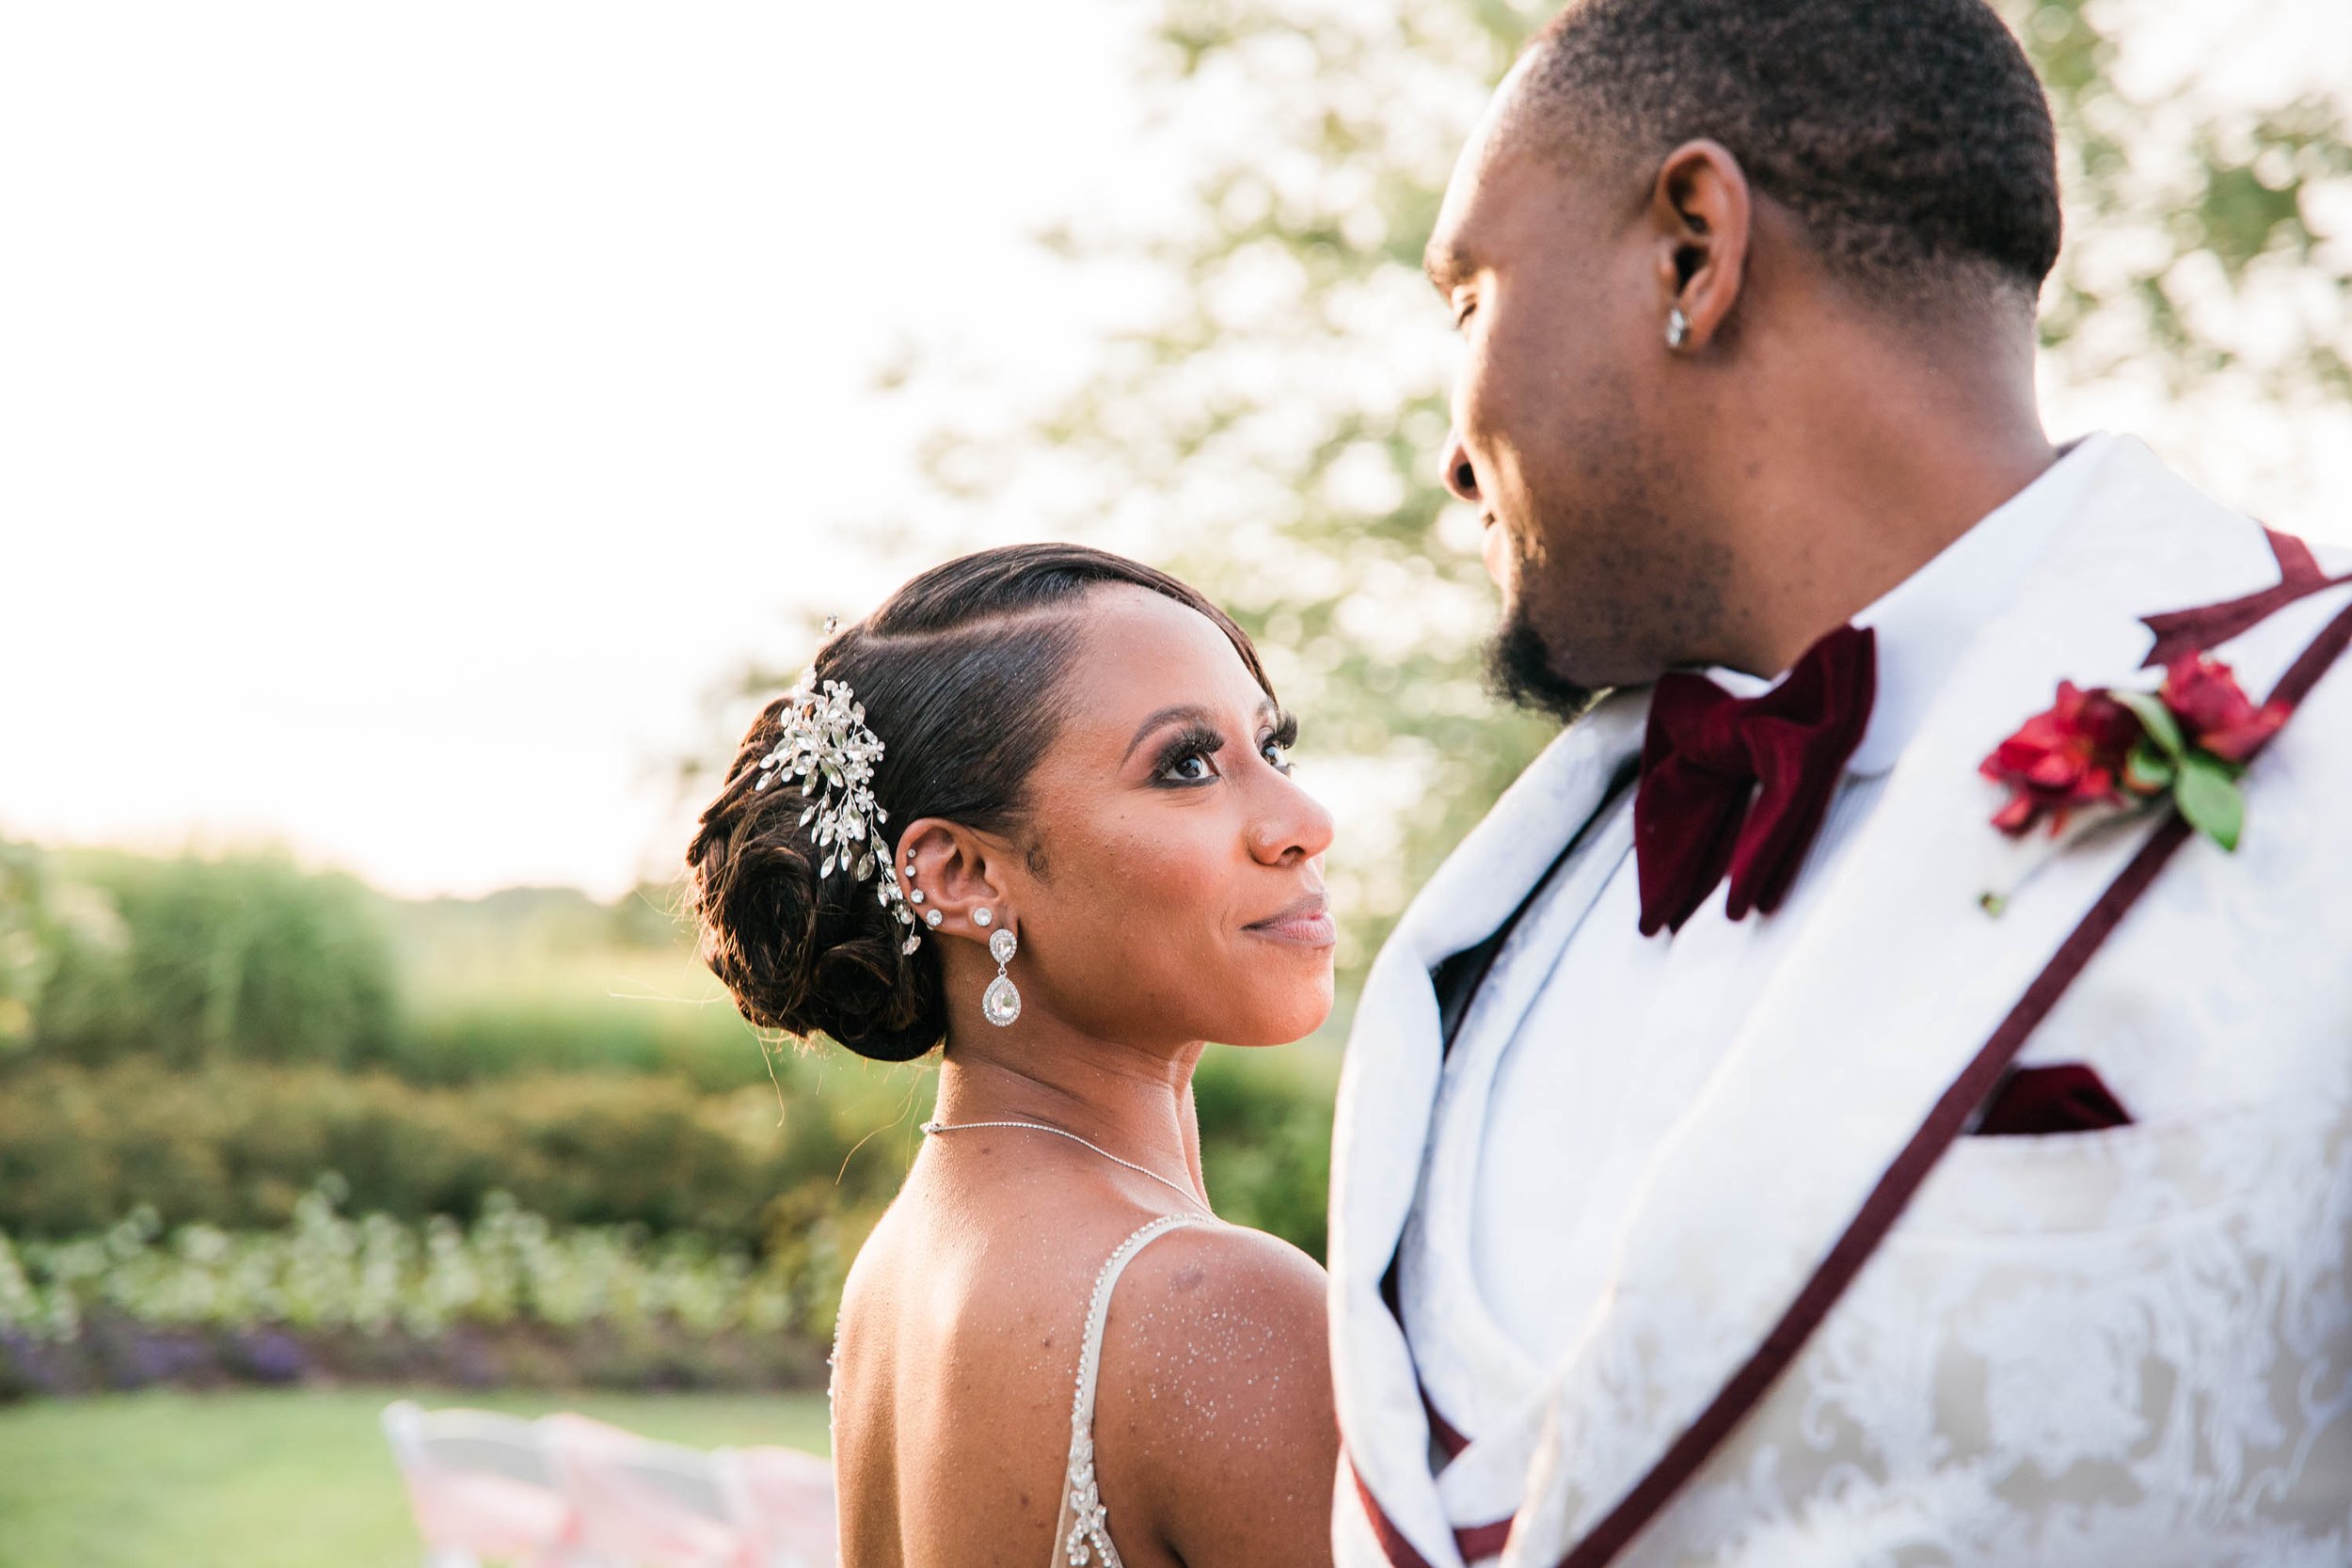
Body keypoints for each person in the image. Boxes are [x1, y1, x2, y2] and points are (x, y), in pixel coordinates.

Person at [1327, 2, 2352, 1565]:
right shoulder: (1487, 924)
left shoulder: (2320, 725)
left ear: (1692, 250)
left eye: (1469, 297)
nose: (1453, 457)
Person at [686, 544, 1342, 1568]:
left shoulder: (900, 1267)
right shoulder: (1216, 1311)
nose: (1304, 823)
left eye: (1273, 749)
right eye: (1187, 764)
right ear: (961, 874)